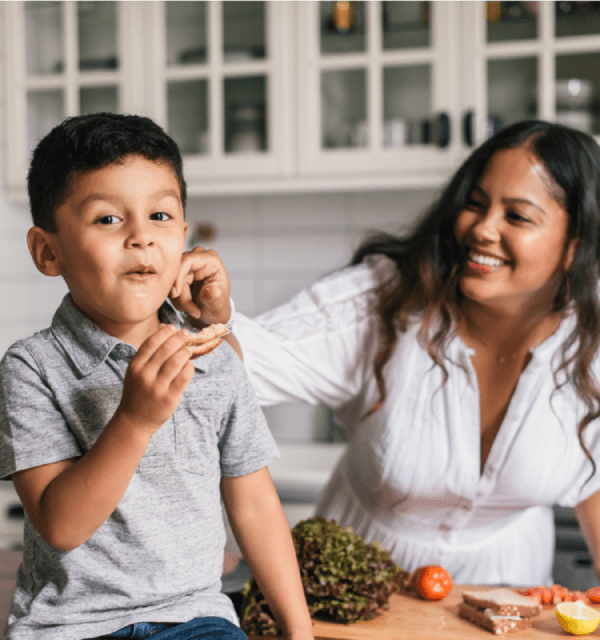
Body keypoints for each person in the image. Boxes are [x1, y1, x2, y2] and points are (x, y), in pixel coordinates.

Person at [202, 120, 600, 588]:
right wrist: (206, 314)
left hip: (508, 590)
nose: (481, 229)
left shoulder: (591, 346)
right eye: (475, 204)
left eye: (517, 216)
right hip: (352, 590)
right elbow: (233, 365)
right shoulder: (382, 303)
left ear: (576, 244)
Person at [0, 113, 314, 640]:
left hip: (196, 619)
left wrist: (299, 633)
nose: (142, 238)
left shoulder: (214, 354)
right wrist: (135, 419)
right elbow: (59, 525)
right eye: (107, 220)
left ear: (185, 236)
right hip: (72, 628)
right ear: (47, 251)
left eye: (161, 216)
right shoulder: (32, 368)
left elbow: (254, 502)